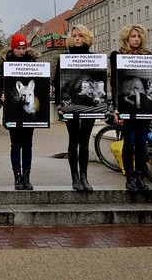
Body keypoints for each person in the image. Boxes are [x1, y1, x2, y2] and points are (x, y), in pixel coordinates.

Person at [53, 25, 96, 192]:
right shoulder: (65, 57)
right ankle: (75, 177)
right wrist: (60, 105)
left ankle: (84, 176)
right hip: (70, 104)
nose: (77, 38)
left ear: (86, 37)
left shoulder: (93, 57)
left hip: (88, 105)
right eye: (75, 36)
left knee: (84, 141)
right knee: (73, 140)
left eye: (80, 36)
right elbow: (57, 83)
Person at [110, 24, 152, 192]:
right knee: (129, 142)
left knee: (142, 142)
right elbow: (114, 83)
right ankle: (129, 177)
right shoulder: (118, 56)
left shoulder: (148, 56)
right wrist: (115, 107)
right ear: (126, 38)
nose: (136, 39)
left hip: (143, 105)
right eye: (133, 36)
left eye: (138, 36)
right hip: (126, 104)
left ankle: (140, 176)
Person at [0, 33, 40, 190]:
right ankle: (17, 177)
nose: (21, 51)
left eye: (23, 48)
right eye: (18, 48)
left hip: (29, 114)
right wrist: (2, 93)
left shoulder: (33, 62)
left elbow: (40, 82)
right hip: (13, 111)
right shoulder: (5, 64)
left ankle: (26, 177)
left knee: (27, 144)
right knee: (15, 144)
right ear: (12, 48)